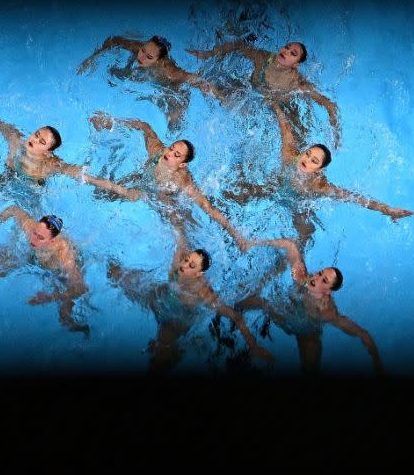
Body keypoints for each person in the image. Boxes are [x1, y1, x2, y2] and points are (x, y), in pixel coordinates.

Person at [225, 101, 412, 248]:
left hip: (297, 204)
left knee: (306, 235)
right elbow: (285, 127)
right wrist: (273, 103)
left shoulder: (318, 186)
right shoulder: (290, 156)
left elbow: (354, 197)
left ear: (319, 170)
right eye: (307, 154)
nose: (306, 160)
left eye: (314, 161)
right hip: (275, 187)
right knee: (235, 193)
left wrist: (387, 210)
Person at [108, 226, 273, 375]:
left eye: (192, 266)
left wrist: (254, 346)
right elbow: (180, 231)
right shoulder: (178, 263)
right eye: (187, 260)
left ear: (199, 274)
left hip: (176, 319)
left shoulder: (202, 292)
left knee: (158, 359)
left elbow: (236, 317)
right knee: (114, 273)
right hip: (158, 298)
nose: (184, 266)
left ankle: (175, 352)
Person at [88, 111, 248, 249]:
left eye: (176, 155)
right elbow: (145, 126)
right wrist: (111, 122)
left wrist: (236, 234)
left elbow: (207, 206)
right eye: (172, 148)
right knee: (100, 195)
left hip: (165, 198)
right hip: (143, 180)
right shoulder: (157, 151)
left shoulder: (182, 180)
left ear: (182, 164)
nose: (169, 153)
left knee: (179, 230)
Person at [236, 237, 384, 376]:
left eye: (324, 280)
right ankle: (232, 308)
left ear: (328, 292)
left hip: (306, 330)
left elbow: (362, 334)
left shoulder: (327, 312)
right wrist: (250, 243)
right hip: (288, 311)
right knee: (262, 303)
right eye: (320, 273)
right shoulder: (302, 278)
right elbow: (290, 245)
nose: (316, 278)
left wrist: (377, 362)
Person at [0, 98, 142, 201]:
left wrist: (124, 192)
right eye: (36, 135)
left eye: (42, 142)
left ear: (49, 151)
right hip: (8, 174)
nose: (35, 139)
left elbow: (91, 179)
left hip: (32, 188)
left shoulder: (52, 165)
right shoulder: (16, 141)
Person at [186, 38, 341, 150]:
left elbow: (330, 105)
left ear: (296, 65)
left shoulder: (297, 83)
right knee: (213, 84)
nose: (286, 52)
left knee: (296, 142)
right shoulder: (264, 58)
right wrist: (208, 54)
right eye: (287, 47)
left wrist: (335, 134)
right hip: (254, 94)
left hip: (281, 107)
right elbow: (238, 45)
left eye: (292, 53)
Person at [0, 205, 89, 335]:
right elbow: (13, 209)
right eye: (35, 233)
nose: (33, 239)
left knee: (64, 318)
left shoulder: (64, 255)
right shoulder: (31, 227)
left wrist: (51, 297)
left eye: (40, 237)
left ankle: (84, 331)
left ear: (52, 241)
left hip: (58, 272)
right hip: (34, 256)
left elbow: (81, 287)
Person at [77, 34, 227, 131]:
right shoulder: (138, 49)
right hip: (146, 78)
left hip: (170, 89)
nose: (141, 57)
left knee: (175, 124)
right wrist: (91, 59)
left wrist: (217, 95)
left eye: (149, 57)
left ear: (159, 60)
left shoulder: (169, 72)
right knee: (114, 74)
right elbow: (114, 40)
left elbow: (194, 79)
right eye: (143, 50)